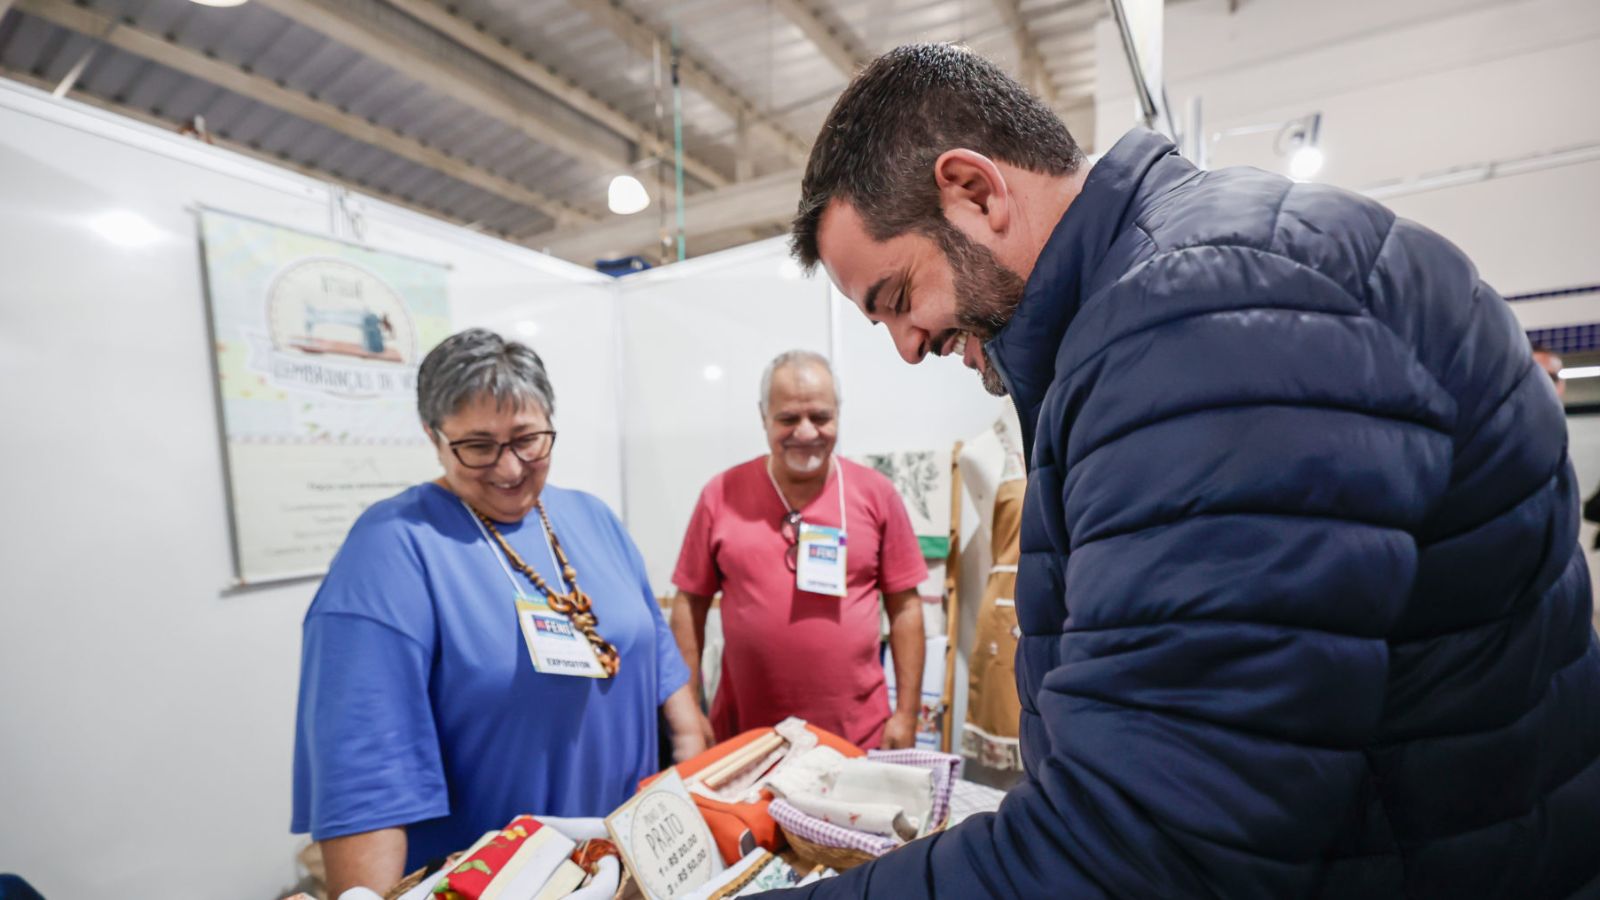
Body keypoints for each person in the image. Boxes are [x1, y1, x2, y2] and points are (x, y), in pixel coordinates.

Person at [781, 43, 1600, 898]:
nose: (908, 348)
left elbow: (1146, 846)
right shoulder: (1188, 291)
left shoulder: (1199, 325)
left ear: (977, 192)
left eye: (898, 298)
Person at [291, 328, 702, 897]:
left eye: (528, 439)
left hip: (628, 862)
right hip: (504, 880)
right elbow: (365, 767)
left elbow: (654, 654)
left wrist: (687, 787)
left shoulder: (592, 518)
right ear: (433, 437)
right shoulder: (393, 546)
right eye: (478, 446)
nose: (509, 469)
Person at [669, 350, 928, 750]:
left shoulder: (876, 493)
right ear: (763, 418)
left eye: (820, 417)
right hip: (745, 740)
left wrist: (907, 715)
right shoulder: (720, 495)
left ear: (838, 413)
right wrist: (690, 712)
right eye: (788, 418)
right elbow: (690, 603)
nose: (806, 432)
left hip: (857, 737)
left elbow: (906, 607)